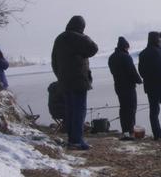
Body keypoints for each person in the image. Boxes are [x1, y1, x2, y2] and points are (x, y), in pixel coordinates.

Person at [51, 16, 98, 150]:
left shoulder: (59, 39)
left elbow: (54, 61)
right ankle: (77, 141)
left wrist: (60, 77)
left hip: (64, 82)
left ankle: (72, 139)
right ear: (81, 27)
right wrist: (83, 36)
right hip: (78, 81)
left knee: (70, 111)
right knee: (79, 111)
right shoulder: (77, 37)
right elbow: (93, 48)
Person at [108, 36, 142, 140]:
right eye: (127, 48)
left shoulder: (111, 57)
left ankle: (125, 131)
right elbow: (132, 71)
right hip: (128, 86)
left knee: (123, 108)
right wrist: (139, 80)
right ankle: (130, 131)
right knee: (131, 108)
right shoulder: (126, 57)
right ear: (125, 47)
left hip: (118, 86)